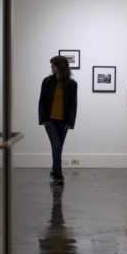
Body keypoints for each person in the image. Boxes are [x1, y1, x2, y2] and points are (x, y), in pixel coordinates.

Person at [38, 55, 77, 185]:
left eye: (53, 65)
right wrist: (42, 118)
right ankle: (58, 176)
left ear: (60, 66)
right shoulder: (47, 81)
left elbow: (73, 105)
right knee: (56, 145)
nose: (51, 67)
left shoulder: (72, 84)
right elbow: (41, 101)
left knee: (58, 147)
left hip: (64, 121)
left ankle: (54, 168)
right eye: (51, 65)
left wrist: (71, 122)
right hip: (50, 121)